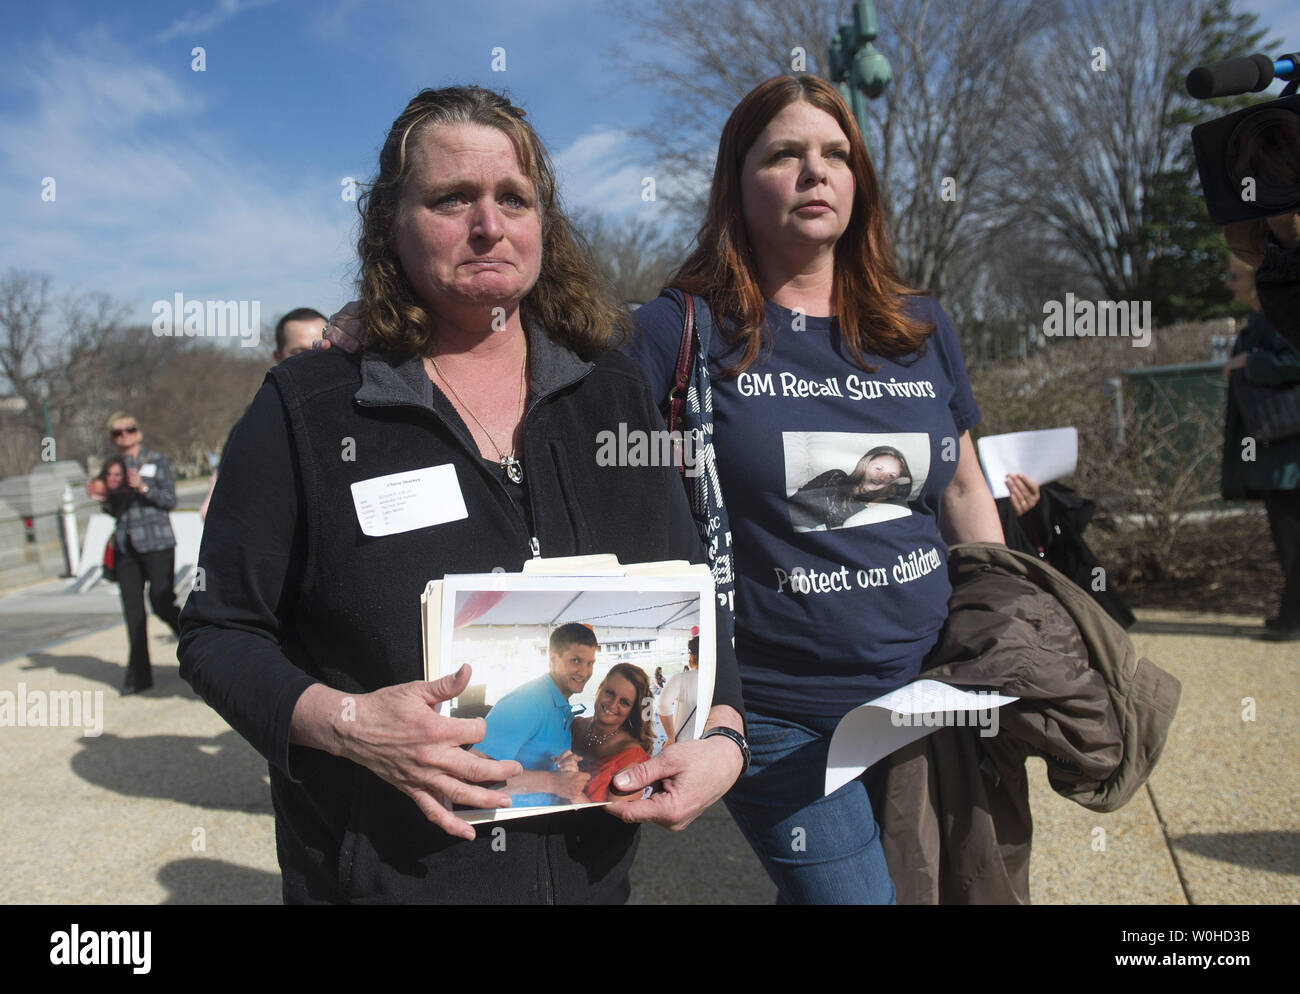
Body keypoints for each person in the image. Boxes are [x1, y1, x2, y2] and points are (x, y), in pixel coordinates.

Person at [179, 85, 747, 905]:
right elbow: (219, 634)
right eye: (452, 198)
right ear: (390, 225)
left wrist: (724, 735)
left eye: (514, 198)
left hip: (593, 877)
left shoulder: (614, 391)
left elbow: (694, 586)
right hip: (388, 876)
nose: (490, 225)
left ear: (543, 223)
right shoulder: (305, 408)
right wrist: (349, 724)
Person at [625, 75, 1004, 904]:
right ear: (737, 180)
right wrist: (392, 321)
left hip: (928, 695)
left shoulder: (921, 326)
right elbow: (527, 362)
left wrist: (1002, 627)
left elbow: (966, 487)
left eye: (836, 154)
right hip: (775, 710)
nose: (815, 172)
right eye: (785, 154)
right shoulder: (679, 329)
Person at [1221, 253, 1300, 640]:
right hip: (1274, 448)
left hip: (1287, 450)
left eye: (1236, 276)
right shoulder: (1259, 319)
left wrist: (1249, 362)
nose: (1229, 283)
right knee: (1286, 535)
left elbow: (1294, 360)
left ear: (1255, 279)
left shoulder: (1278, 316)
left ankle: (1293, 618)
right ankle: (1291, 613)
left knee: (1291, 535)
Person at [198, 308, 326, 520]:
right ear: (278, 357)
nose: (313, 358)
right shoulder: (254, 424)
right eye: (299, 352)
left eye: (320, 348)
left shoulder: (360, 410)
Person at [87, 414, 181, 695]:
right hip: (126, 546)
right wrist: (103, 497)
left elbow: (169, 500)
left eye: (129, 430)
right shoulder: (111, 468)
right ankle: (139, 675)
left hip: (157, 543)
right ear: (113, 439)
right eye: (118, 433)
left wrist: (143, 486)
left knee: (162, 601)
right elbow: (114, 510)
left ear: (138, 433)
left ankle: (196, 647)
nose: (124, 436)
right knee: (132, 611)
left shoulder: (157, 461)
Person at [474, 622, 597, 804]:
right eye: (576, 661)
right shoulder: (526, 702)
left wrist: (563, 771)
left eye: (590, 663)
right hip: (511, 827)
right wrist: (552, 781)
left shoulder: (561, 706)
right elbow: (473, 774)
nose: (585, 672)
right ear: (553, 659)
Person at [572, 663, 655, 802]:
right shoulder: (574, 725)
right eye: (609, 693)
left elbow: (615, 822)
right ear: (600, 688)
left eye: (624, 702)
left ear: (632, 711)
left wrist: (570, 788)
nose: (612, 705)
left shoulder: (632, 759)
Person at [789, 445, 914, 530]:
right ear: (865, 464)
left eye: (891, 475)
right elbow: (792, 508)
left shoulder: (877, 504)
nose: (882, 477)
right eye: (878, 468)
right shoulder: (834, 477)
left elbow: (906, 488)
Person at [657, 635, 700, 743]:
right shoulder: (720, 680)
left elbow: (663, 704)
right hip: (710, 745)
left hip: (683, 744)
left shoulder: (681, 678)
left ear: (692, 655)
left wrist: (671, 737)